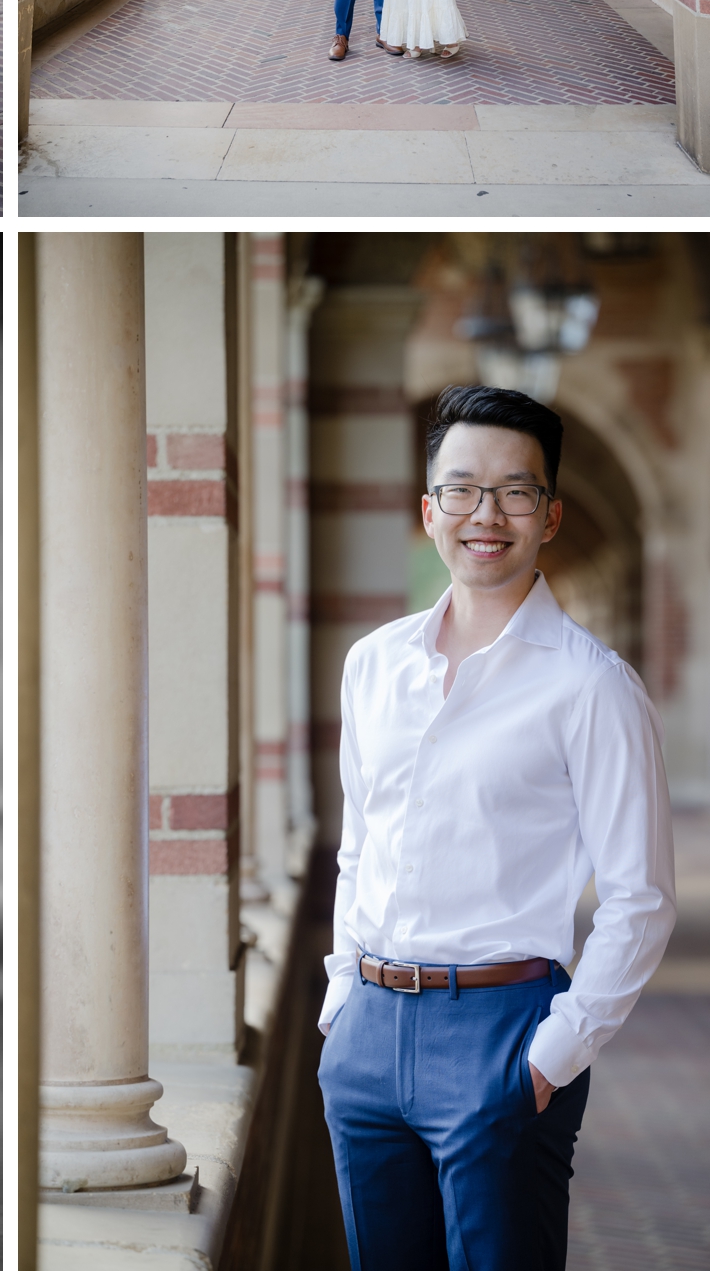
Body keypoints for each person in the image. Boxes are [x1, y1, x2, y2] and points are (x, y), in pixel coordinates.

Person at [317, 385, 676, 1271]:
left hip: (504, 1032)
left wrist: (556, 1052)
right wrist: (339, 1002)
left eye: (515, 490)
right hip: (366, 1036)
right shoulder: (373, 666)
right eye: (463, 488)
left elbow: (641, 898)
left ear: (550, 515)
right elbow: (360, 843)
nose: (487, 512)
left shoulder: (592, 686)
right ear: (427, 509)